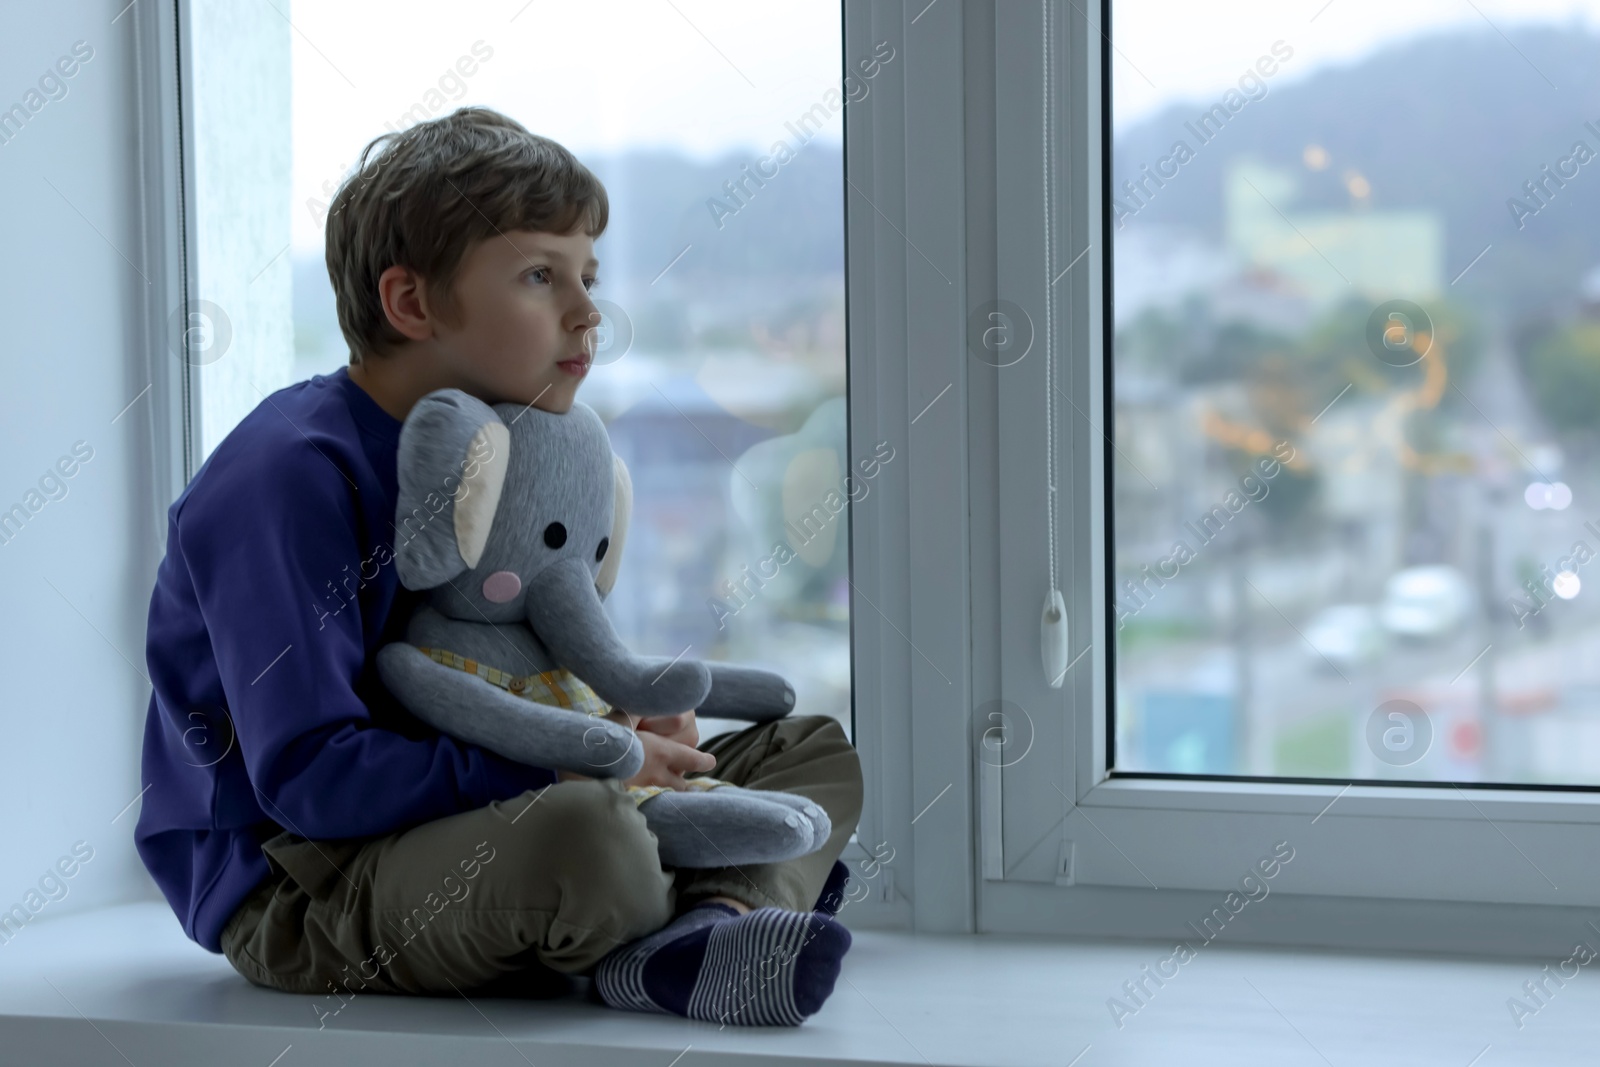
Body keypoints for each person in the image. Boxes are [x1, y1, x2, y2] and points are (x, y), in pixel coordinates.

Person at [133, 105, 863, 1028]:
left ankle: (704, 931)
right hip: (304, 879)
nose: (589, 310)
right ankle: (705, 906)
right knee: (588, 833)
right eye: (539, 275)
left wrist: (610, 722)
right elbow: (310, 776)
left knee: (809, 748)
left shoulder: (513, 441)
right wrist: (575, 776)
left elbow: (512, 657)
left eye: (587, 275)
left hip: (479, 811)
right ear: (412, 304)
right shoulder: (287, 479)